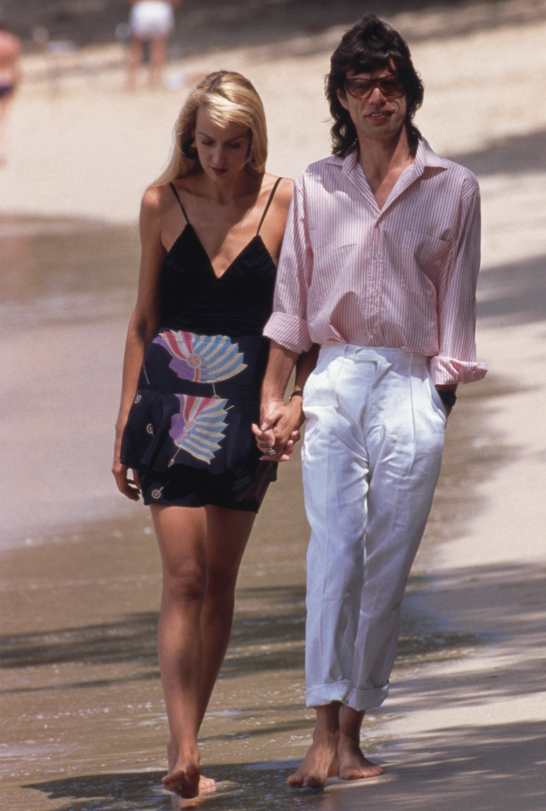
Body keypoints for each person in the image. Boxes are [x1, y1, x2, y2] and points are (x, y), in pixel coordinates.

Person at [254, 14, 487, 789]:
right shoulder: (317, 184)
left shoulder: (455, 189)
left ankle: (353, 733)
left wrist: (438, 400)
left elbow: (457, 310)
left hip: (414, 383)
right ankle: (321, 732)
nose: (379, 95)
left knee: (387, 564)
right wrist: (274, 400)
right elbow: (291, 307)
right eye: (363, 83)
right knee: (335, 551)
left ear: (409, 91)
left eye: (391, 81)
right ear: (343, 97)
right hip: (336, 379)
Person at [112, 70, 305, 801]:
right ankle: (183, 743)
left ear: (253, 138)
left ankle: (191, 730)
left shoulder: (288, 202)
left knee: (220, 582)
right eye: (206, 143)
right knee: (183, 576)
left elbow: (305, 326)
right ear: (187, 137)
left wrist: (295, 402)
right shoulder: (162, 202)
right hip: (168, 407)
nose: (219, 158)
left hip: (245, 412)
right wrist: (123, 421)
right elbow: (141, 321)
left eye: (232, 144)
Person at [125, 0, 180, 90]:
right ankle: (154, 82)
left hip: (143, 7)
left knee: (136, 47)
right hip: (161, 7)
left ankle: (131, 82)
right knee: (159, 47)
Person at [0, 21, 21, 165]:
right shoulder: (11, 41)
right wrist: (16, 84)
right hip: (6, 80)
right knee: (2, 118)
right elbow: (15, 67)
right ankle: (2, 152)